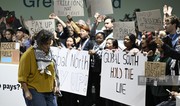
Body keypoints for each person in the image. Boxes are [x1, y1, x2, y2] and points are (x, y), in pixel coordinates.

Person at [18, 29, 60, 106]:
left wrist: (55, 85)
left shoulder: (49, 53)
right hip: (34, 90)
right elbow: (22, 76)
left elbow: (53, 71)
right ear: (40, 43)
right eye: (46, 44)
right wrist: (26, 91)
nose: (48, 46)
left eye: (49, 44)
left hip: (49, 90)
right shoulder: (28, 54)